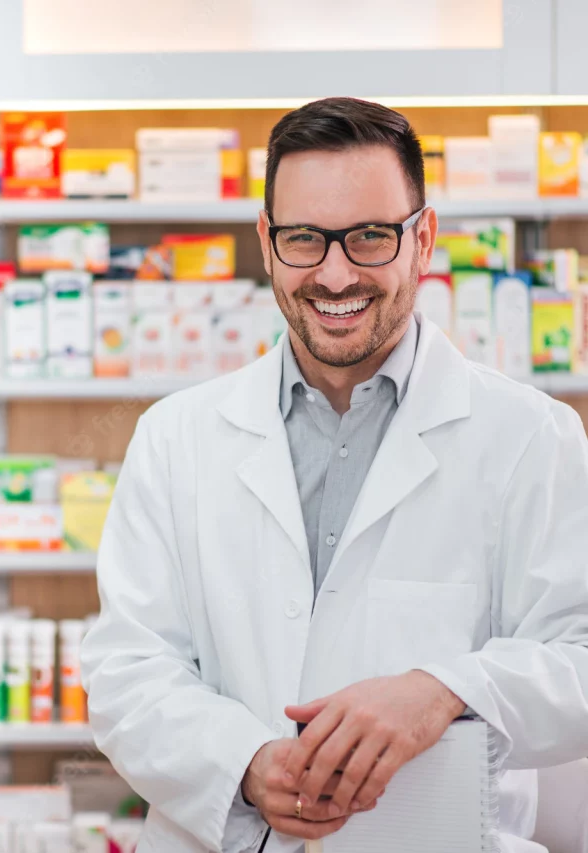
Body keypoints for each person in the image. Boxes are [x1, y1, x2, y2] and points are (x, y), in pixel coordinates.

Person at [81, 97, 588, 853]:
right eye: (305, 239)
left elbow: (579, 659)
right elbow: (126, 670)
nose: (336, 272)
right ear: (266, 240)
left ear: (423, 238)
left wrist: (443, 691)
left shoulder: (530, 437)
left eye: (371, 237)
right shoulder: (175, 437)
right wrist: (246, 762)